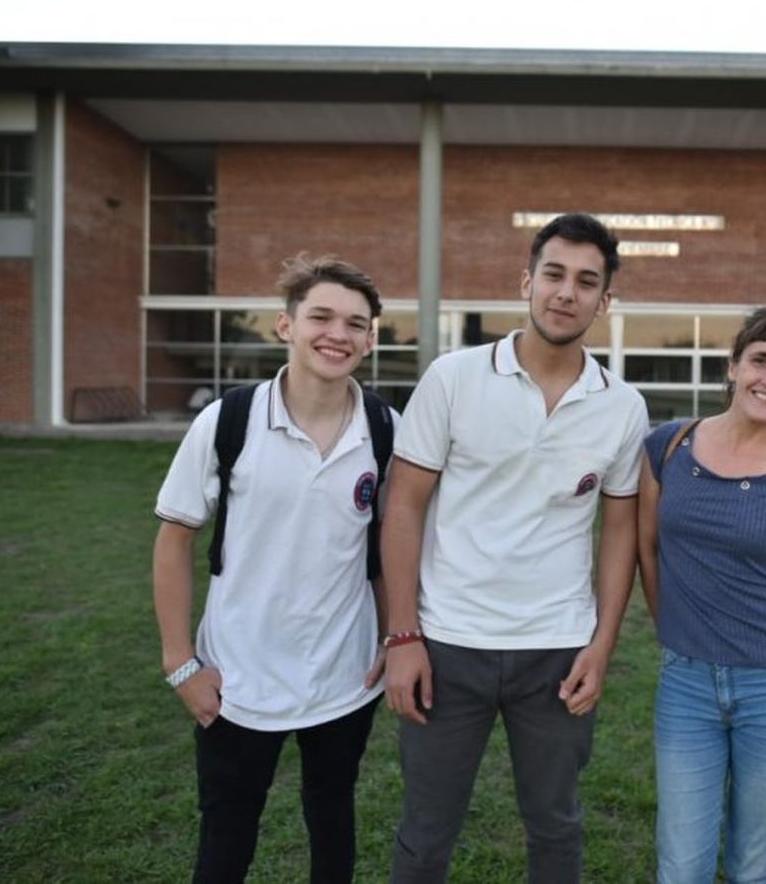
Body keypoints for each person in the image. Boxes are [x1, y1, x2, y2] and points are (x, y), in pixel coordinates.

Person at [382, 212, 649, 883]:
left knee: (556, 827)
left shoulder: (621, 406)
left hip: (556, 651)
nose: (567, 292)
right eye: (554, 274)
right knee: (425, 833)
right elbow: (404, 506)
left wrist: (601, 643)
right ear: (526, 281)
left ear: (605, 301)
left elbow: (618, 531)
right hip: (448, 643)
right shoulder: (453, 377)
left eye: (587, 282)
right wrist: (402, 635)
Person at [151, 255, 395, 884]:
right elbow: (174, 537)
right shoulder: (228, 421)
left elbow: (391, 550)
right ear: (286, 326)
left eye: (355, 323)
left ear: (370, 339)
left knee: (333, 825)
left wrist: (396, 637)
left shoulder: (385, 430)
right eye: (321, 316)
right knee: (226, 842)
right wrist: (181, 663)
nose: (336, 334)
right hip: (236, 678)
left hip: (344, 674)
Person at [638, 308, 766, 884]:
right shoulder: (667, 447)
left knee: (753, 865)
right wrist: (672, 628)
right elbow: (646, 550)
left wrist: (758, 647)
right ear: (733, 366)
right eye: (760, 359)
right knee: (681, 865)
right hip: (687, 685)